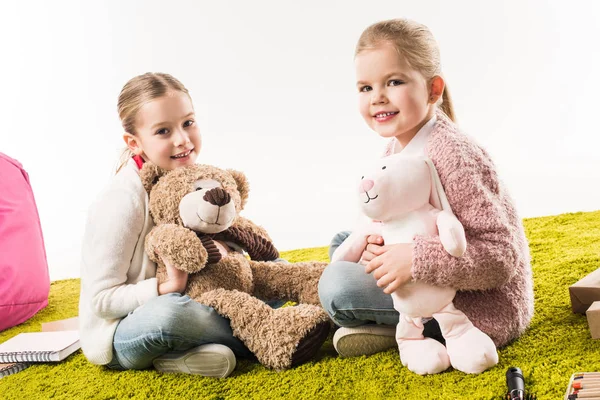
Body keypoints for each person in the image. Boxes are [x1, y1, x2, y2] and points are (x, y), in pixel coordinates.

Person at [79, 73, 323, 377]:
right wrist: (164, 287)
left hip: (200, 296)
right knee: (172, 315)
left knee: (272, 272)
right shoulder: (121, 201)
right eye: (163, 131)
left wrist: (226, 248)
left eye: (188, 123)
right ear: (134, 142)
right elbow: (101, 301)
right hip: (128, 329)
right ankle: (276, 333)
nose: (181, 139)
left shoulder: (185, 176)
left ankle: (187, 355)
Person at [318, 19, 534, 360]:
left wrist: (415, 260)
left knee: (336, 287)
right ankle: (393, 325)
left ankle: (404, 330)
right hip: (429, 276)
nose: (378, 98)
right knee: (341, 243)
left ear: (433, 90)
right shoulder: (394, 150)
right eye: (365, 88)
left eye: (394, 81)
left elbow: (501, 258)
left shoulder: (453, 154)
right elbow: (388, 221)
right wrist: (376, 249)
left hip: (474, 306)